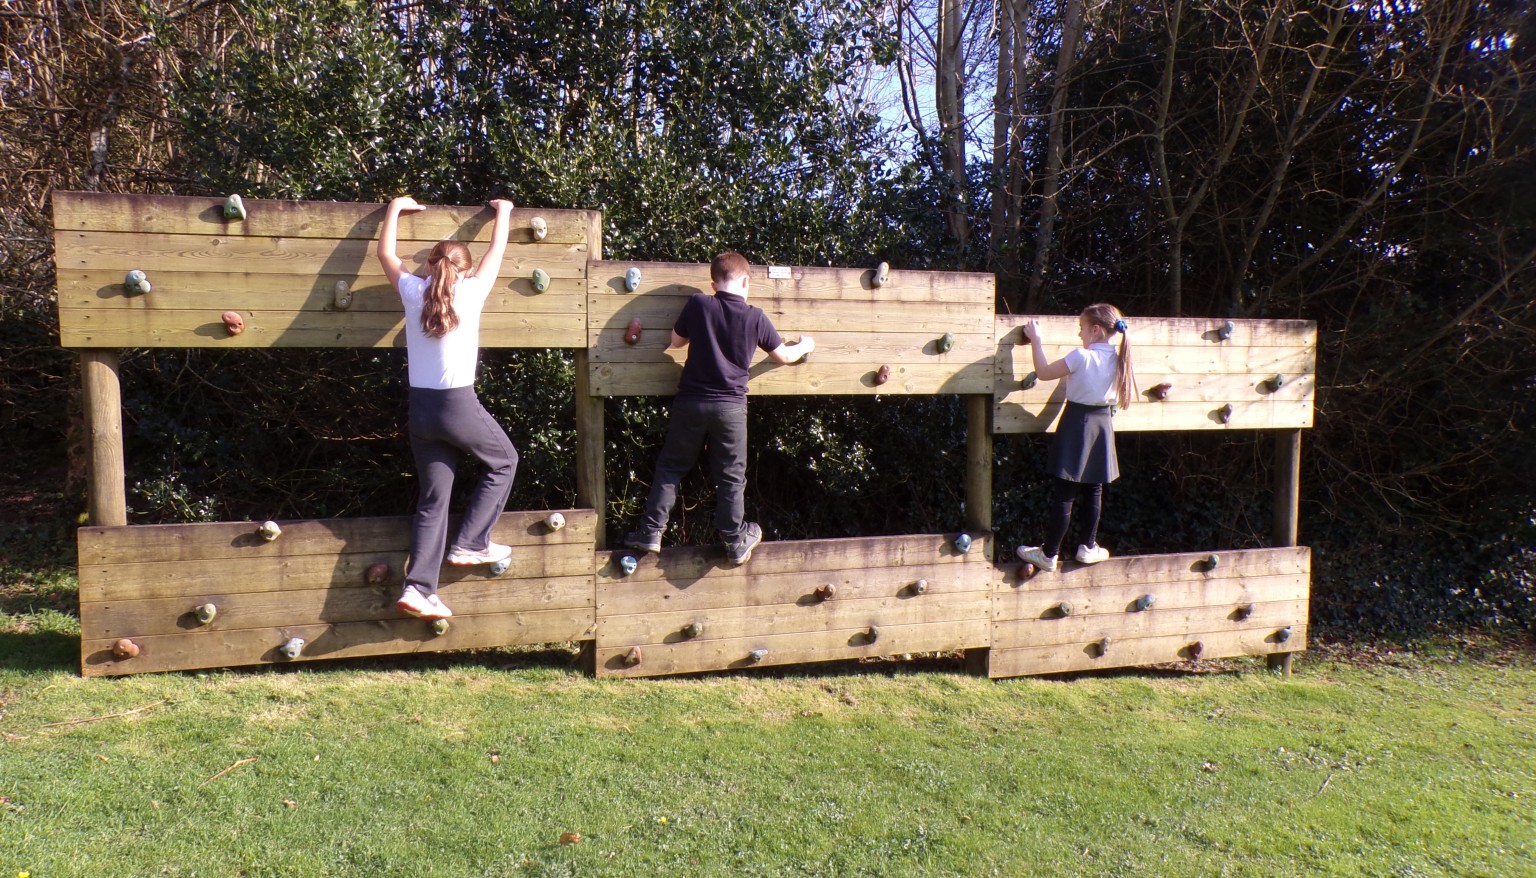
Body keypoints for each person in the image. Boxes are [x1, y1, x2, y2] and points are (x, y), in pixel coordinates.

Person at [377, 196, 520, 620]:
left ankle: (419, 588)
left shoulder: (412, 291)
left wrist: (395, 209)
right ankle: (472, 542)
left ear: (429, 267)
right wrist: (504, 212)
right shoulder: (473, 291)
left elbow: (386, 253)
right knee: (505, 461)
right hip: (457, 405)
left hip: (420, 412)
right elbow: (497, 251)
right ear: (466, 269)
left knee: (433, 500)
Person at [623, 251, 815, 564]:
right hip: (731, 408)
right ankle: (734, 539)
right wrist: (806, 345)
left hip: (692, 402)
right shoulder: (756, 317)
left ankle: (650, 532)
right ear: (745, 281)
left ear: (714, 284)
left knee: (671, 467)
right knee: (730, 476)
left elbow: (675, 341)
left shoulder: (700, 304)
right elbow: (783, 356)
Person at [1015, 303, 1137, 572]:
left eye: (1081, 329)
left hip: (1076, 422)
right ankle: (1087, 547)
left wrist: (1036, 340)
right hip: (1103, 423)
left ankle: (1049, 554)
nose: (1079, 335)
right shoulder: (1121, 360)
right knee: (1094, 488)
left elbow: (1045, 373)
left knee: (1065, 492)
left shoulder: (1081, 357)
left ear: (1095, 330)